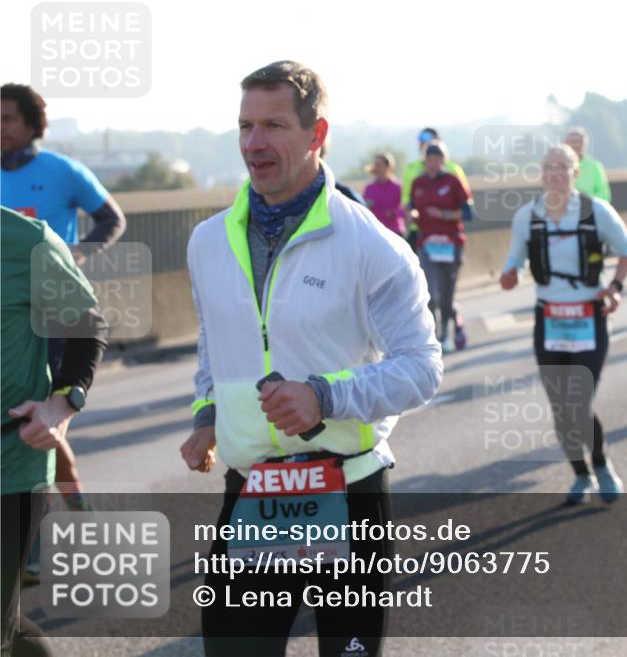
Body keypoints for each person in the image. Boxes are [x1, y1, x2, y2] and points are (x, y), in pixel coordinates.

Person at [179, 61, 442, 657]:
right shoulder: (207, 241)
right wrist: (206, 415)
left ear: (317, 135)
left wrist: (323, 395)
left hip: (346, 494)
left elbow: (423, 366)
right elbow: (214, 342)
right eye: (245, 125)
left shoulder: (372, 246)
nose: (254, 142)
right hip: (253, 495)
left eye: (273, 125)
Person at [1, 83, 126, 583]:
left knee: (37, 417)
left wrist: (77, 255)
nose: (0, 127)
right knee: (38, 429)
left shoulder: (61, 170)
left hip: (55, 312)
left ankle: (33, 537)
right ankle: (74, 519)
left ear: (33, 124)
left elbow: (110, 218)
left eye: (8, 118)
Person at [499, 145, 627, 505]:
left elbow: (626, 250)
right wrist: (509, 273)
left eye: (563, 167)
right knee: (561, 408)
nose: (555, 174)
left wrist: (615, 288)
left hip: (588, 317)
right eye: (548, 168)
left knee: (579, 402)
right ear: (541, 175)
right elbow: (514, 258)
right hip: (550, 319)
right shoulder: (527, 216)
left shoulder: (597, 211)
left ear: (576, 173)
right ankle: (581, 474)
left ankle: (603, 466)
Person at [2, 205, 109, 657]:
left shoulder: (27, 240)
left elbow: (88, 324)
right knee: (9, 629)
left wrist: (63, 404)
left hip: (10, 465)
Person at [410, 141, 471, 353]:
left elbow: (468, 213)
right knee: (430, 293)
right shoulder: (418, 183)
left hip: (451, 244)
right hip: (427, 243)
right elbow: (412, 207)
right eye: (430, 159)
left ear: (443, 161)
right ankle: (435, 335)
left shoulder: (453, 182)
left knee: (447, 295)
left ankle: (447, 330)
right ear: (424, 161)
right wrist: (412, 215)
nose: (433, 163)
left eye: (437, 159)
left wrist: (445, 214)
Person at [363, 151, 406, 236]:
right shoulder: (369, 188)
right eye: (375, 165)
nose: (376, 168)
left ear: (388, 167)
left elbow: (405, 209)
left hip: (395, 232)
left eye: (379, 165)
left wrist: (394, 213)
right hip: (375, 232)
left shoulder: (397, 187)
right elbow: (363, 207)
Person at [565, 128, 612, 202]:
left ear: (585, 144)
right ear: (566, 144)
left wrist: (585, 201)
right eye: (572, 142)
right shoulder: (558, 166)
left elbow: (604, 195)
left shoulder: (595, 166)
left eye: (579, 142)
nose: (576, 145)